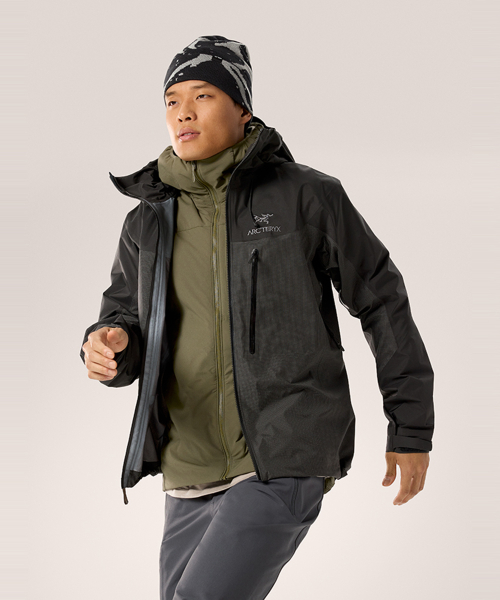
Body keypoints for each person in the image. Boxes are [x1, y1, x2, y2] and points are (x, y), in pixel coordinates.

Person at [80, 35, 434, 600]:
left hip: (284, 449)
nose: (183, 112)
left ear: (242, 108)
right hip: (189, 464)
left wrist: (410, 429)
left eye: (203, 95)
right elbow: (125, 322)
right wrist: (107, 346)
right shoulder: (147, 221)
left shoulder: (306, 197)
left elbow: (382, 300)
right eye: (172, 100)